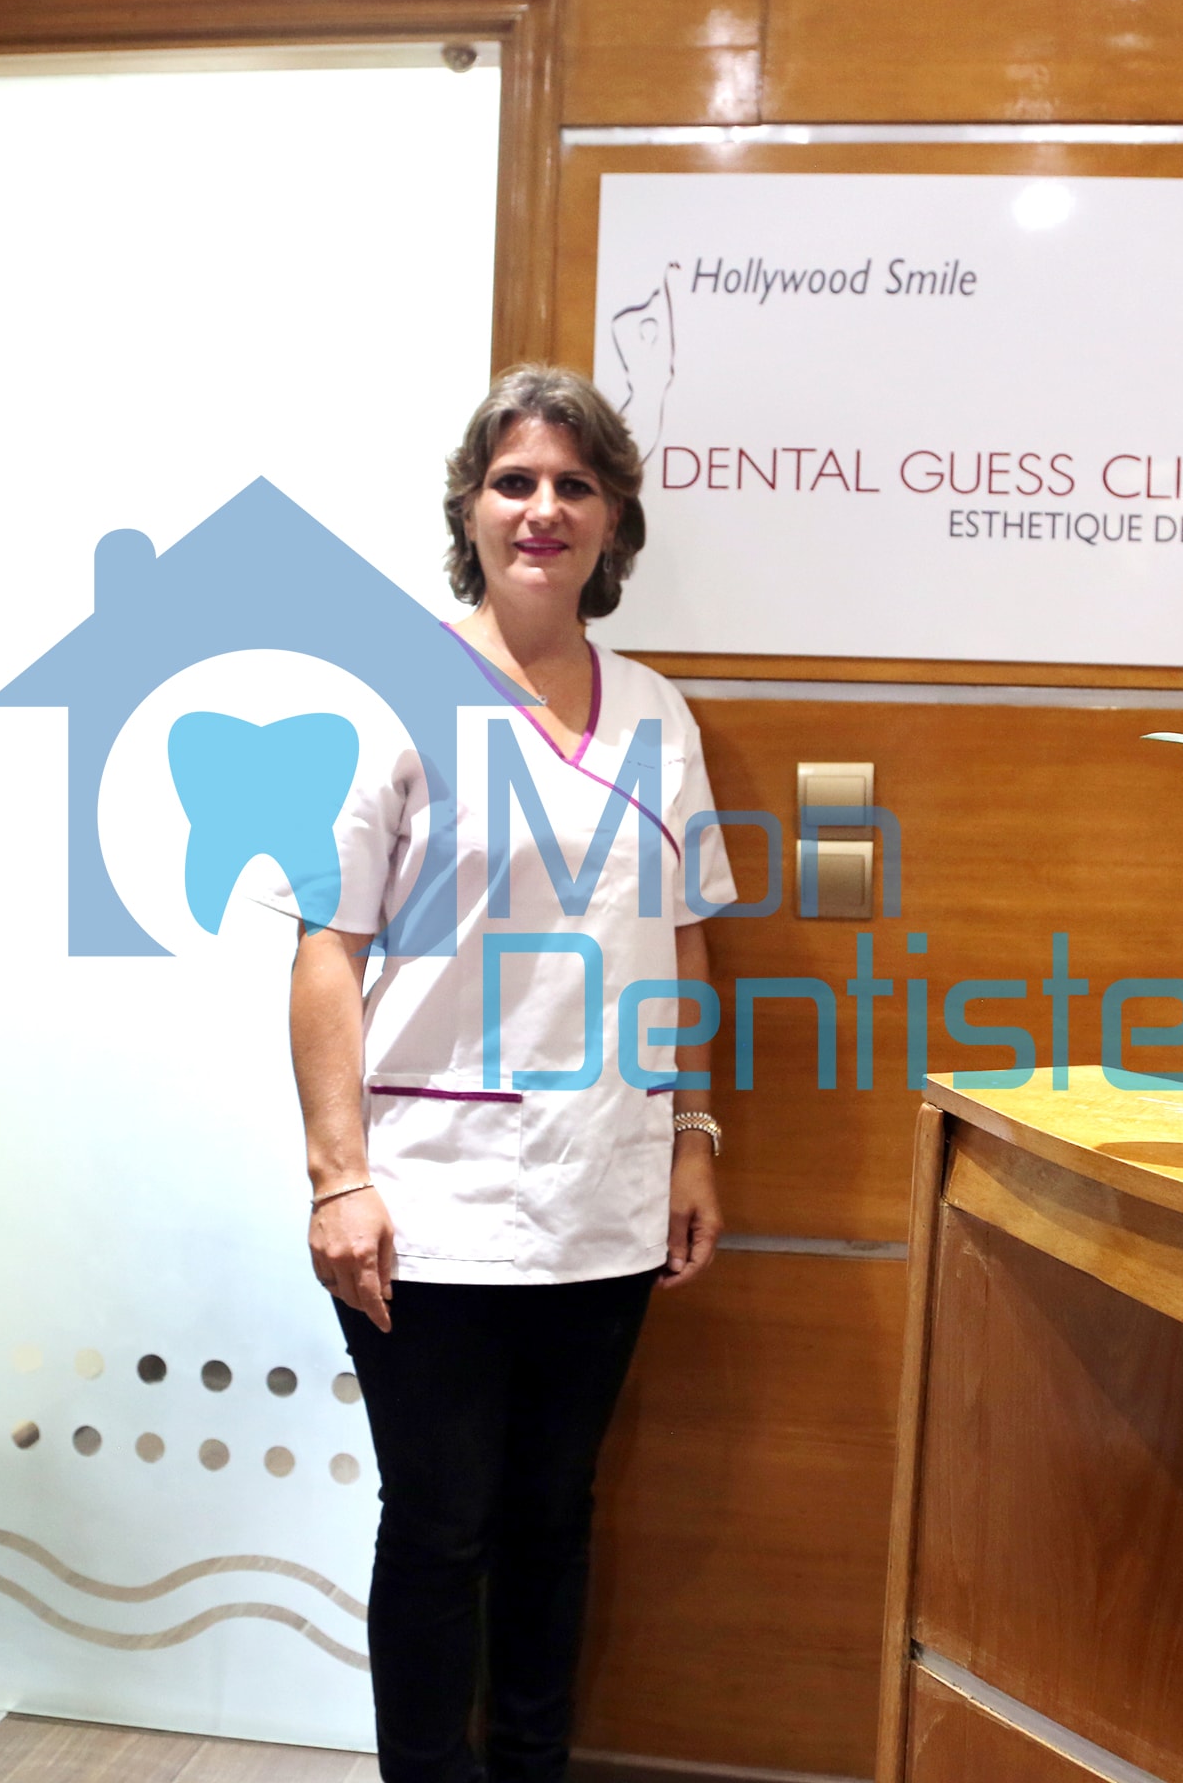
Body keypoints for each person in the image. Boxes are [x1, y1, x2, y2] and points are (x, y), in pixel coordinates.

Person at [270, 363, 735, 1783]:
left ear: (614, 521)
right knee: (439, 1522)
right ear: (470, 510)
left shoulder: (657, 715)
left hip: (607, 1187)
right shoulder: (393, 696)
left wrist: (695, 1133)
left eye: (575, 485)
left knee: (553, 1514)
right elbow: (327, 949)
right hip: (429, 1200)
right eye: (514, 481)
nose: (544, 509)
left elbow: (683, 937)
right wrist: (337, 1178)